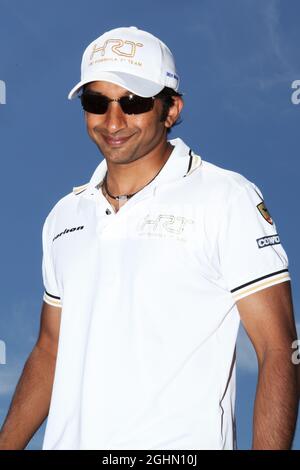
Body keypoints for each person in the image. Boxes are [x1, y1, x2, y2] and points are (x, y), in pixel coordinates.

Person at [0, 26, 298, 451]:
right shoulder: (64, 217)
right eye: (97, 102)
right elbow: (50, 350)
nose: (114, 121)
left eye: (135, 102)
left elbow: (278, 347)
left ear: (171, 109)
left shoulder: (226, 197)